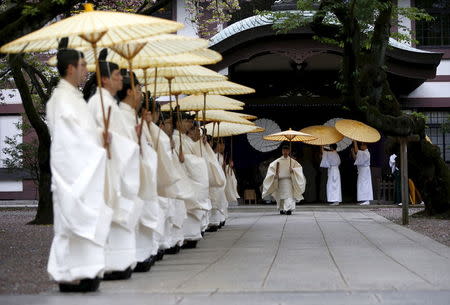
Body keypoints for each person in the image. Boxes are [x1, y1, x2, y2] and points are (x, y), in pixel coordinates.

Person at [46, 40, 113, 292]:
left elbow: (84, 133)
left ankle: (85, 272)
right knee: (70, 227)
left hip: (82, 171)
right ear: (71, 68)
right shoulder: (61, 99)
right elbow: (68, 143)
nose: (87, 70)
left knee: (84, 228)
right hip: (72, 174)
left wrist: (100, 136)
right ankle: (69, 275)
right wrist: (97, 142)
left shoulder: (73, 97)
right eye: (83, 65)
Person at [87, 50, 142, 280]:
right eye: (117, 75)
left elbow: (122, 138)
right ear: (105, 79)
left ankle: (120, 262)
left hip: (117, 165)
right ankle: (111, 264)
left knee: (120, 217)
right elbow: (94, 136)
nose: (121, 78)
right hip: (108, 166)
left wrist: (132, 136)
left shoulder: (109, 103)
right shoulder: (99, 103)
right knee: (111, 217)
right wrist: (107, 138)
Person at [117, 70, 162, 272]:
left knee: (144, 215)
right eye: (138, 89)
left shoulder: (134, 118)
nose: (141, 94)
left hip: (141, 175)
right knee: (132, 218)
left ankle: (142, 254)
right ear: (128, 91)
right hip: (128, 177)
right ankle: (132, 257)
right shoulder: (118, 116)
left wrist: (147, 128)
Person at [262, 145, 306, 215]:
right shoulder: (277, 161)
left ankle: (288, 209)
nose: (285, 152)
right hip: (280, 181)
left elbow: (299, 169)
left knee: (288, 195)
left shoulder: (293, 162)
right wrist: (275, 175)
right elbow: (271, 170)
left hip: (288, 181)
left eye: (287, 150)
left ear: (289, 151)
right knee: (280, 196)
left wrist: (293, 170)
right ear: (282, 151)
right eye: (284, 150)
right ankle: (282, 208)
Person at [352, 141, 373, 205]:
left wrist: (355, 142)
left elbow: (357, 151)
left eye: (362, 145)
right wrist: (352, 152)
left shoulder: (366, 153)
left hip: (365, 171)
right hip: (362, 171)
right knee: (361, 184)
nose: (361, 146)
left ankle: (366, 200)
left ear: (365, 146)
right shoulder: (363, 153)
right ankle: (364, 199)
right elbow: (356, 158)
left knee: (365, 184)